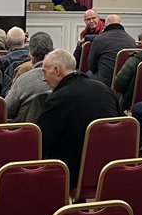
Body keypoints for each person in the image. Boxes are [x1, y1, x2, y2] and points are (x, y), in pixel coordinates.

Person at [36, 49, 119, 189]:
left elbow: (40, 141)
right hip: (111, 170)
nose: (43, 78)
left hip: (71, 174)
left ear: (57, 70)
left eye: (44, 72)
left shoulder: (58, 99)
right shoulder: (104, 89)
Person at [5, 32, 54, 122]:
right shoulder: (63, 79)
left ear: (31, 56)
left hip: (24, 131)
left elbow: (6, 110)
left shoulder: (23, 80)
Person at [89, 14, 137, 87]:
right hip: (125, 83)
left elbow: (92, 65)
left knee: (88, 74)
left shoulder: (99, 39)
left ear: (106, 24)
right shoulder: (131, 40)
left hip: (103, 83)